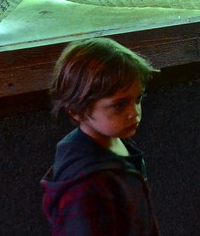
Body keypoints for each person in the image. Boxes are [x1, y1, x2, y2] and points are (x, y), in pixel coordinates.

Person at [41, 37, 160, 236]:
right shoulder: (85, 189)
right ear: (76, 110)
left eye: (138, 99)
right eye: (120, 104)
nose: (134, 112)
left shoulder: (115, 143)